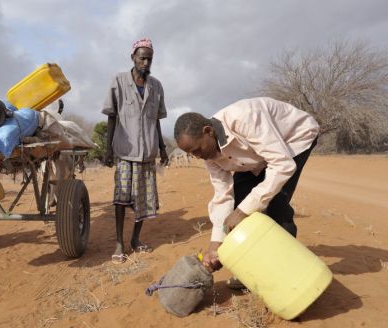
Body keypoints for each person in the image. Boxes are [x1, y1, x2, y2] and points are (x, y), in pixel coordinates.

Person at [173, 97, 319, 288]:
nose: (197, 156)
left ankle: (285, 276)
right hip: (258, 156)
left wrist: (243, 212)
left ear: (208, 132)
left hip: (294, 139)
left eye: (197, 150)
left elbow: (282, 165)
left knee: (275, 205)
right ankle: (254, 267)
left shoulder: (245, 118)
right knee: (240, 202)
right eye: (192, 154)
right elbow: (222, 195)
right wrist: (216, 244)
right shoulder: (208, 155)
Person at [101, 38, 169, 264]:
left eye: (149, 58)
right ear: (133, 57)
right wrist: (108, 149)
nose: (146, 62)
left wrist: (162, 147)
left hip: (147, 153)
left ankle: (135, 239)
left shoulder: (156, 86)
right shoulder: (118, 82)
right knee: (121, 199)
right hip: (124, 151)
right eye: (142, 57)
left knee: (144, 200)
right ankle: (119, 243)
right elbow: (112, 117)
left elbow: (156, 121)